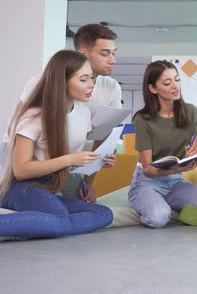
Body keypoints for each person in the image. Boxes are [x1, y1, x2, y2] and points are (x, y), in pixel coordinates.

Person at [1, 23, 120, 201]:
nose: (113, 60)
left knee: (87, 209)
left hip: (65, 160)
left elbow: (102, 137)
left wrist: (89, 181)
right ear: (83, 54)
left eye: (114, 53)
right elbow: (17, 129)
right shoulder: (42, 85)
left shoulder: (107, 90)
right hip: (23, 156)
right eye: (105, 53)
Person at [0, 50, 113, 238]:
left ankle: (57, 224)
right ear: (63, 80)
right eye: (84, 79)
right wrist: (68, 159)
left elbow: (73, 161)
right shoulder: (34, 117)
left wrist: (99, 160)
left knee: (103, 213)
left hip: (52, 188)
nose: (91, 85)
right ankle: (57, 223)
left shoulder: (83, 114)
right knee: (60, 218)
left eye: (92, 78)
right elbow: (20, 170)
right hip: (20, 187)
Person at [128, 60, 197, 229]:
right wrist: (178, 169)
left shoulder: (191, 112)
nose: (175, 86)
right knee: (158, 219)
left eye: (177, 79)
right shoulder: (142, 119)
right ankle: (151, 204)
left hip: (175, 183)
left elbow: (195, 148)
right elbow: (148, 169)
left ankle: (166, 206)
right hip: (148, 182)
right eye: (167, 83)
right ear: (152, 88)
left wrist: (193, 156)